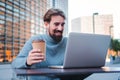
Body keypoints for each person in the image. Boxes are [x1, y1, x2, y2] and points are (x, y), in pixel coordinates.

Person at [12, 8, 91, 80]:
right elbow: (15, 63)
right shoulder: (36, 40)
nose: (60, 28)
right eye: (56, 24)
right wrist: (27, 61)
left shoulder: (69, 43)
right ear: (46, 24)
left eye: (62, 24)